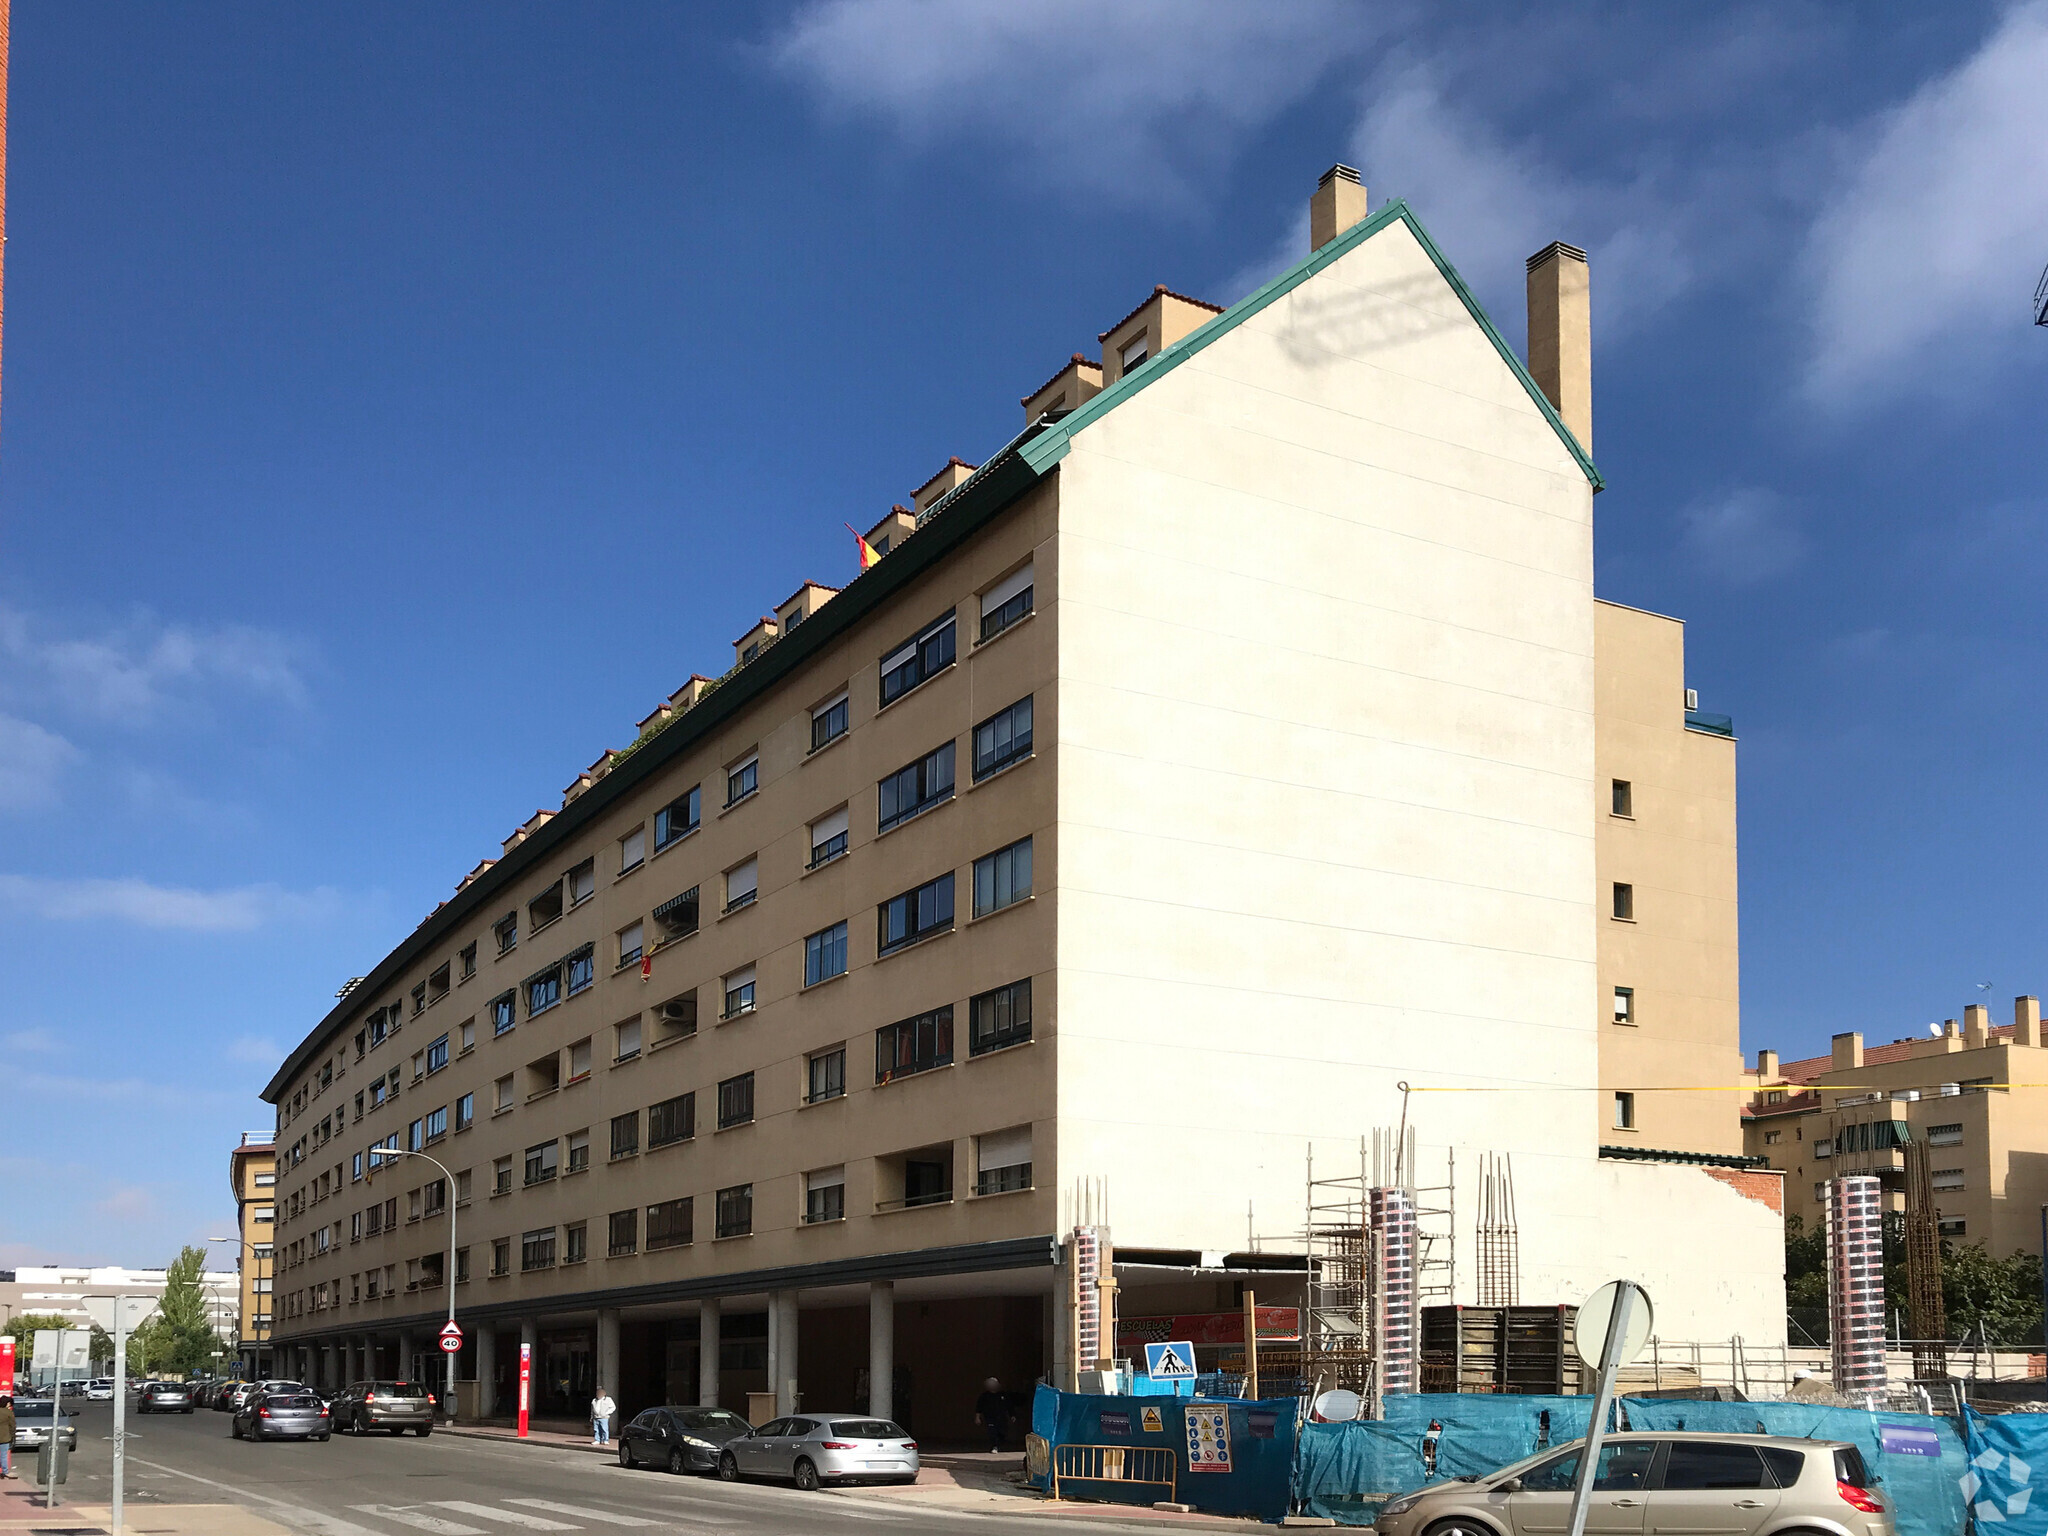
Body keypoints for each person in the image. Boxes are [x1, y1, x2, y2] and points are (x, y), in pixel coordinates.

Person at [973, 1377, 1010, 1454]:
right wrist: (977, 1417)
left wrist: (1012, 1415)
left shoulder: (1003, 1395)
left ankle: (999, 1444)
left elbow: (1009, 1406)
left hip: (1002, 1417)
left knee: (1002, 1432)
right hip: (990, 1417)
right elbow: (979, 1407)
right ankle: (994, 1446)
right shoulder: (984, 1396)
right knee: (992, 1432)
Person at [0, 1394, 13, 1478]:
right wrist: (13, 1436)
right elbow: (12, 1426)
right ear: (7, 1403)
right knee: (3, 1455)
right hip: (5, 1437)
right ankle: (5, 1471)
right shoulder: (8, 1413)